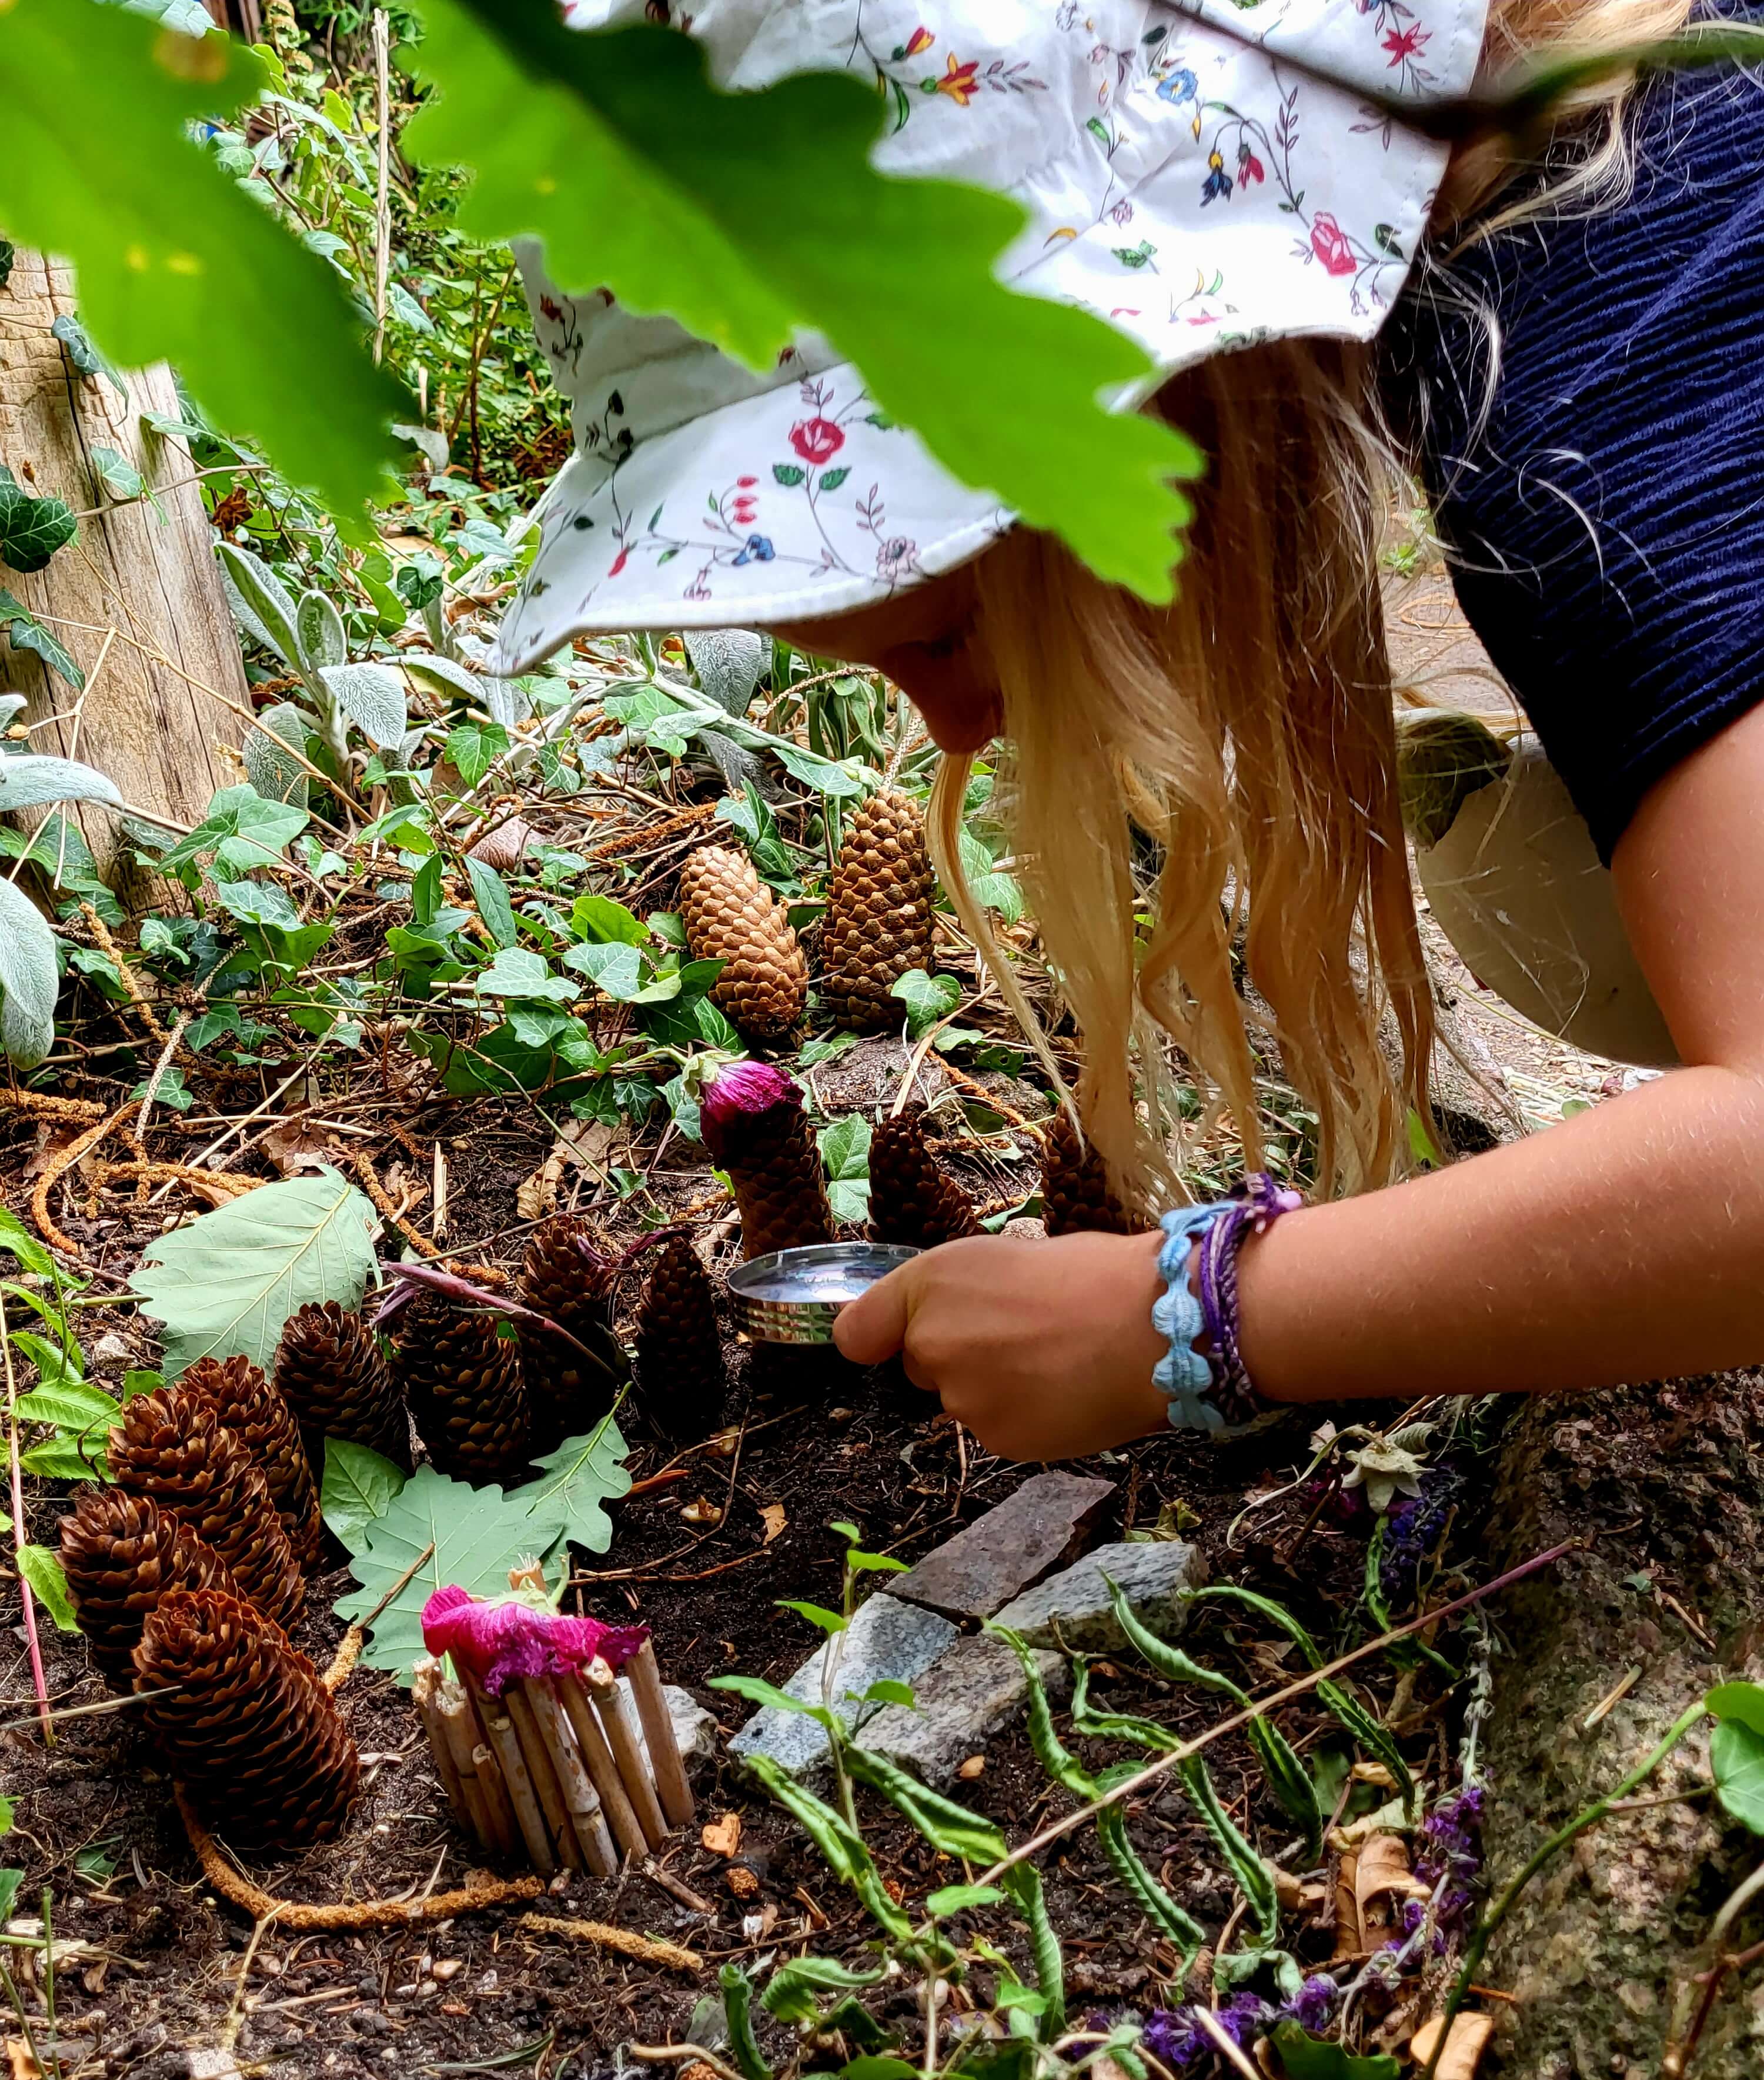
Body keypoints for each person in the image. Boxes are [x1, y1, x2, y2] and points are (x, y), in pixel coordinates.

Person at [504, 0, 1764, 1462]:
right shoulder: (1547, 205)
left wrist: (1194, 1316)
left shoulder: (1628, 336)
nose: (963, 720)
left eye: (951, 628)